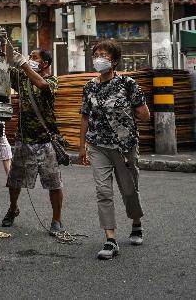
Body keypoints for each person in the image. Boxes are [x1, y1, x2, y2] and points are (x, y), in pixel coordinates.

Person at [78, 39, 150, 260]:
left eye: (105, 55)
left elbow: (144, 114)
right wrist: (82, 147)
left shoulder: (128, 84)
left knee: (129, 191)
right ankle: (110, 239)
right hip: (98, 145)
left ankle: (136, 222)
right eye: (97, 54)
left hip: (124, 146)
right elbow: (84, 116)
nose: (99, 58)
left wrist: (126, 119)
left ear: (115, 60)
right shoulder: (89, 86)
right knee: (103, 192)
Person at [2, 46, 64, 236]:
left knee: (54, 183)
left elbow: (42, 85)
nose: (30, 59)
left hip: (46, 140)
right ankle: (13, 209)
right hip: (23, 138)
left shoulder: (52, 80)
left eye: (34, 57)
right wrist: (6, 47)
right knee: (14, 180)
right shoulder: (22, 77)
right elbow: (5, 66)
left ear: (45, 63)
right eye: (29, 57)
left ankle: (57, 220)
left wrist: (23, 65)